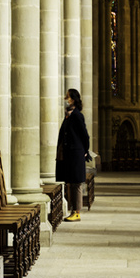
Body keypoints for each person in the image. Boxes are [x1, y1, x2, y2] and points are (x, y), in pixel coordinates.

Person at [55, 88, 90, 222]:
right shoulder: (69, 114)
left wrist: (85, 151)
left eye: (68, 97)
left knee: (76, 183)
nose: (66, 99)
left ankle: (76, 212)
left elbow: (84, 135)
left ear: (73, 99)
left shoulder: (76, 115)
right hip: (70, 153)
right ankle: (72, 210)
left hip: (76, 153)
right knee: (70, 182)